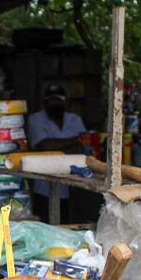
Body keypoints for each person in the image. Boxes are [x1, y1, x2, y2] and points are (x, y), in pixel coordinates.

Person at [26, 84, 101, 223]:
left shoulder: (74, 119)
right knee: (46, 224)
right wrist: (76, 140)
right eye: (52, 100)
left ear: (65, 102)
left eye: (59, 100)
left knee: (70, 224)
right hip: (44, 186)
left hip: (74, 185)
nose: (55, 104)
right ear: (45, 101)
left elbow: (84, 148)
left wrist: (62, 146)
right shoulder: (35, 119)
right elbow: (44, 146)